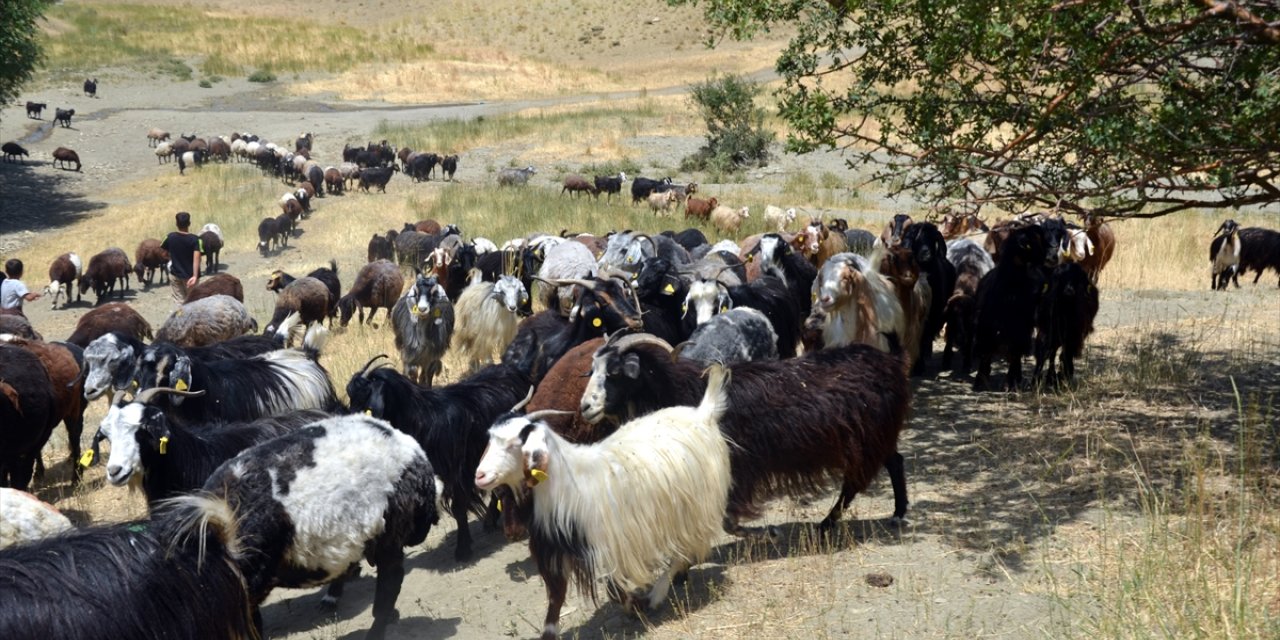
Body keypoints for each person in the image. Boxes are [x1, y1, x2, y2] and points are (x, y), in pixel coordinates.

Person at [161, 211, 203, 304]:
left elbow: (163, 254)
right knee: (193, 302)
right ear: (189, 223)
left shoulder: (169, 237)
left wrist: (173, 259)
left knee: (179, 303)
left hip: (175, 275)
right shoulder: (196, 240)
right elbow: (197, 259)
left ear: (176, 224)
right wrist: (195, 276)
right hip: (190, 277)